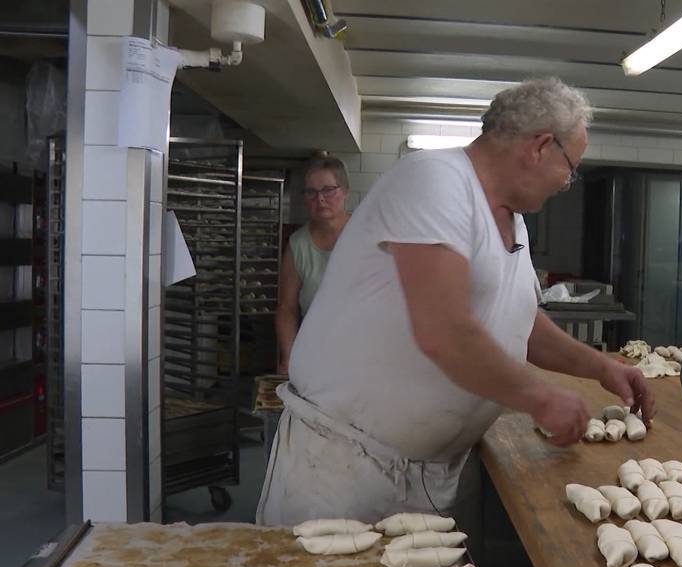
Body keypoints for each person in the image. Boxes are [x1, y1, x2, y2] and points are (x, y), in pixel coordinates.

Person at [257, 77, 654, 526]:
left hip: (430, 472)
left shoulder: (515, 222)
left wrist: (600, 367)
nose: (568, 182)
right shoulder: (436, 181)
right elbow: (443, 331)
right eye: (571, 166)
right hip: (344, 469)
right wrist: (539, 397)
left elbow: (519, 321)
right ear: (541, 146)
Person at [275, 154, 350, 375]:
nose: (320, 199)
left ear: (344, 191)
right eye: (311, 192)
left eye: (329, 190)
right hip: (316, 353)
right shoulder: (298, 244)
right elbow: (286, 308)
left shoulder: (366, 235)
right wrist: (288, 356)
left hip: (364, 353)